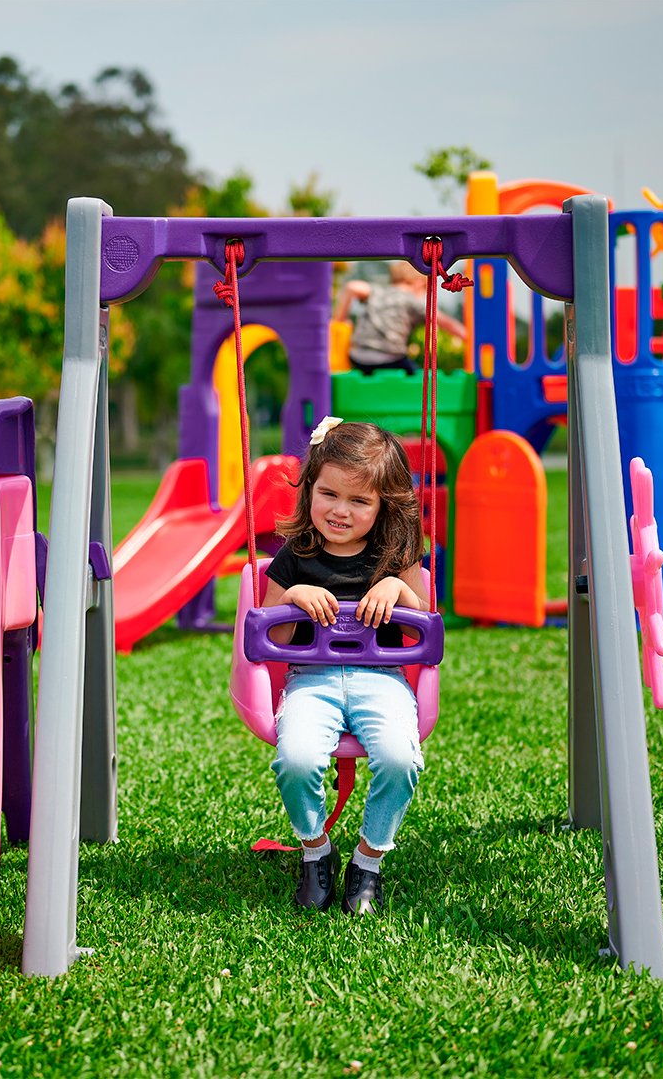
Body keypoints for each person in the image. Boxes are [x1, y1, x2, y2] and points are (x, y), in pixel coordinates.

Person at [263, 416, 428, 915]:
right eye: (329, 494)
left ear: (383, 507)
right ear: (310, 488)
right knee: (294, 760)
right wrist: (293, 595)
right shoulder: (295, 555)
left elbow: (424, 624)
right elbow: (272, 636)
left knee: (401, 761)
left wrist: (398, 588)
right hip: (310, 682)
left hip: (383, 681)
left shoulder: (394, 555)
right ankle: (316, 852)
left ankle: (369, 860)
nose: (340, 510)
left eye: (359, 501)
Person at [334, 261, 467, 375]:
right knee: (420, 377)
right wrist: (467, 336)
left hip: (358, 357)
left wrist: (339, 320)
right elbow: (445, 322)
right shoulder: (412, 301)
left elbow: (352, 287)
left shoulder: (378, 291)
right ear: (418, 284)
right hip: (390, 358)